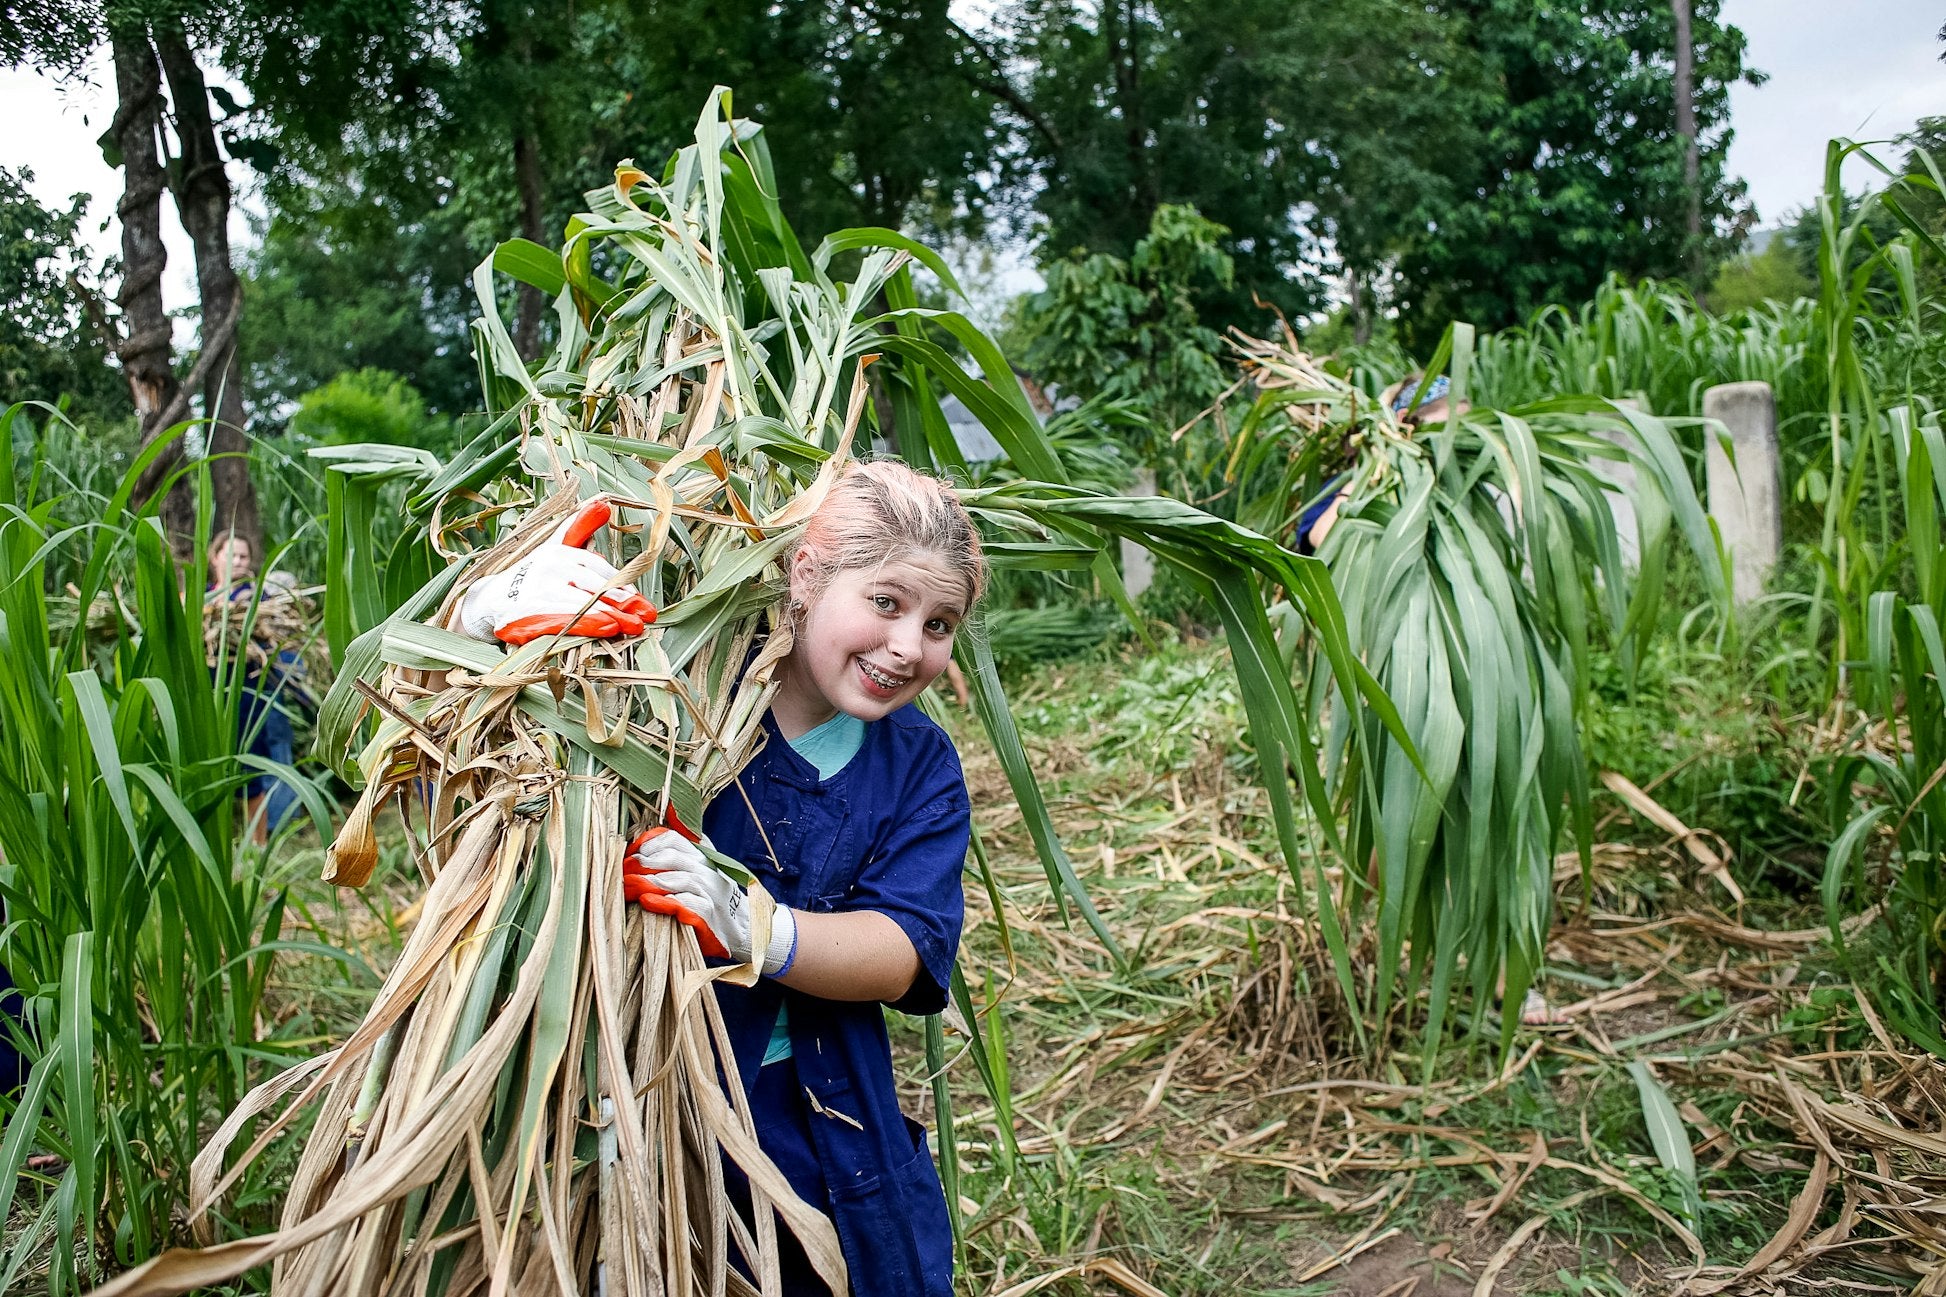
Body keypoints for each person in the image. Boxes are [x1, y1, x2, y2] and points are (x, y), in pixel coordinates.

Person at [456, 460, 981, 1296]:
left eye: (941, 622)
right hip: (640, 1117)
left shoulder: (917, 765)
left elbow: (905, 949)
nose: (909, 646)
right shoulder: (669, 697)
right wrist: (492, 613)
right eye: (885, 601)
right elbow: (443, 752)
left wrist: (758, 928)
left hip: (820, 1137)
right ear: (806, 574)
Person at [205, 531, 312, 842]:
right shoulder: (204, 600)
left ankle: (258, 842)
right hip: (212, 695)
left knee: (255, 762)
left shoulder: (260, 600)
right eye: (232, 555)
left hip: (250, 695)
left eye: (244, 557)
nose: (239, 562)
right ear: (215, 557)